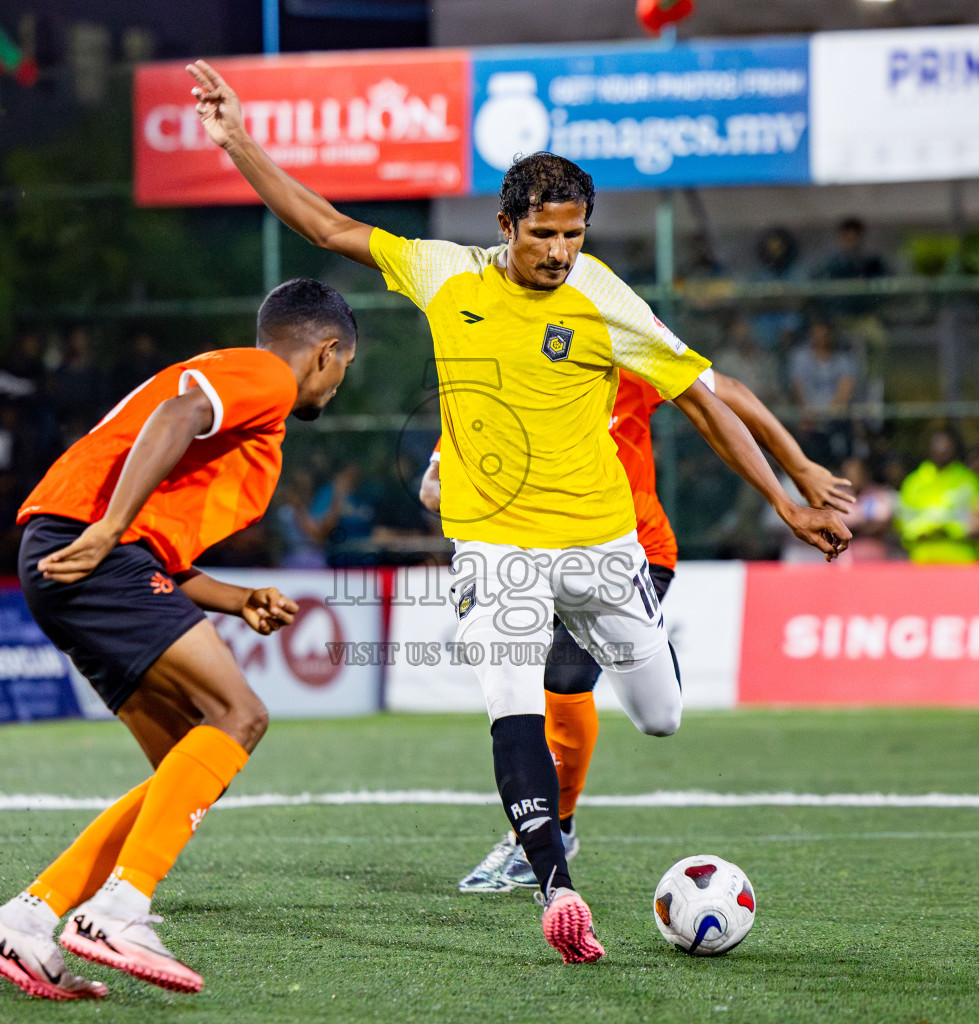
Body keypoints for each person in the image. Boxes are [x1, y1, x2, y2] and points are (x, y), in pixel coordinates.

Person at [184, 59, 851, 964]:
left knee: (659, 715)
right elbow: (325, 223)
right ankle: (554, 883)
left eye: (575, 233)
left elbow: (702, 396)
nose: (561, 251)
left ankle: (610, 728)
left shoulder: (604, 298)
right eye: (544, 235)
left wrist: (784, 495)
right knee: (513, 702)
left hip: (605, 544)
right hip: (496, 546)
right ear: (505, 226)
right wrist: (237, 143)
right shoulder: (444, 274)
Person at [0, 278, 355, 1000]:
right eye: (344, 371)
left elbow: (161, 550)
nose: (336, 388)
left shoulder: (251, 402)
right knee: (241, 715)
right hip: (93, 544)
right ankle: (118, 908)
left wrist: (235, 600)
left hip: (76, 552)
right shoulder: (268, 374)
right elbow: (179, 413)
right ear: (326, 352)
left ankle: (27, 918)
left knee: (182, 762)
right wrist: (110, 527)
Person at [423, 367, 852, 894]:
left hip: (633, 553)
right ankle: (553, 828)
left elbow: (727, 393)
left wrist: (799, 465)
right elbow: (432, 489)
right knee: (552, 685)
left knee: (580, 683)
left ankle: (645, 640)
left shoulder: (613, 347)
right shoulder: (495, 383)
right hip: (532, 557)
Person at [896, 429, 979, 563]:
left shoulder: (969, 481)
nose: (942, 449)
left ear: (955, 447)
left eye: (946, 445)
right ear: (928, 447)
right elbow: (903, 522)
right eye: (937, 444)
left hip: (960, 559)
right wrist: (928, 530)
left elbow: (978, 520)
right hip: (923, 559)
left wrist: (949, 529)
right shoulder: (913, 482)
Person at [789, 316, 858, 464]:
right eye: (816, 333)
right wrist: (812, 417)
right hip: (809, 422)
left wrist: (828, 416)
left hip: (836, 421)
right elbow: (799, 394)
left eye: (824, 333)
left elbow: (844, 394)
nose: (820, 338)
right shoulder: (800, 357)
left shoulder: (844, 359)